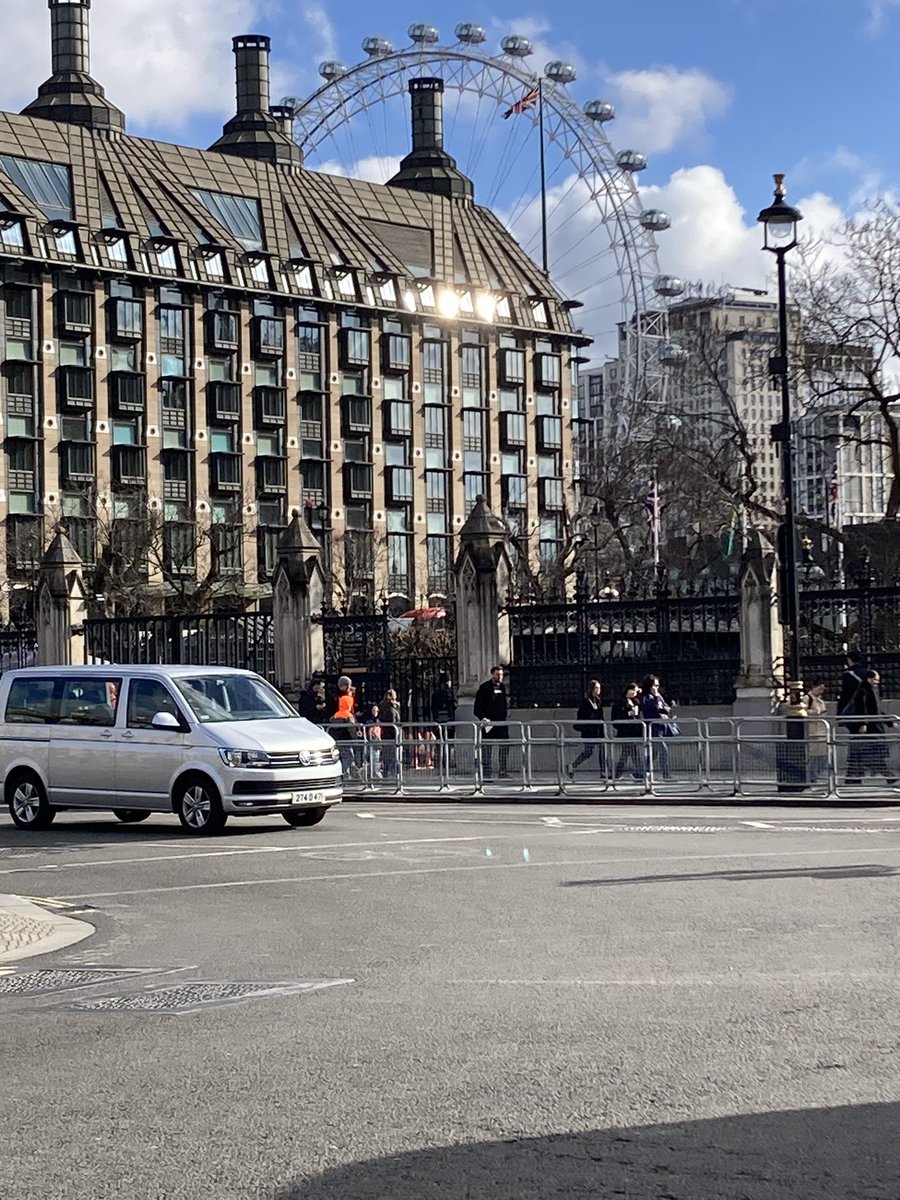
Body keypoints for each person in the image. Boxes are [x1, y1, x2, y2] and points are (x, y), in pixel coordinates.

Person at [846, 668, 895, 783]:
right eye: (875, 679)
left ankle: (852, 777)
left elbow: (878, 709)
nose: (877, 682)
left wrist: (889, 722)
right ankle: (887, 775)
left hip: (873, 725)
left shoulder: (873, 689)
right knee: (872, 752)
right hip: (870, 727)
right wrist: (863, 723)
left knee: (862, 752)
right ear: (869, 678)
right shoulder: (863, 691)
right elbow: (863, 708)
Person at [473, 664, 510, 780]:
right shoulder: (484, 688)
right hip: (488, 723)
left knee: (504, 746)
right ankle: (487, 773)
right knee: (487, 748)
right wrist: (483, 718)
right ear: (492, 674)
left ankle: (503, 771)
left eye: (501, 675)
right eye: (497, 674)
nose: (500, 677)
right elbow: (477, 707)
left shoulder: (503, 688)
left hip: (501, 722)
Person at [641, 675, 675, 780]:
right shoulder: (646, 697)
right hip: (653, 728)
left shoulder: (659, 696)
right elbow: (652, 711)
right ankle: (666, 774)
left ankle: (639, 772)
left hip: (661, 726)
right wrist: (656, 699)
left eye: (658, 685)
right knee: (663, 750)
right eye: (655, 685)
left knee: (654, 753)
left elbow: (665, 706)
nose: (657, 688)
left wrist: (667, 710)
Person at [568, 679, 605, 777]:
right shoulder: (585, 702)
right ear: (591, 689)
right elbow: (582, 715)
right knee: (588, 752)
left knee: (602, 751)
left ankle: (603, 771)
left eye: (599, 688)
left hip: (598, 731)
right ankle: (573, 765)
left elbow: (601, 716)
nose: (598, 690)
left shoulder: (598, 700)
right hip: (589, 731)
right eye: (596, 688)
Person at [610, 682, 644, 780]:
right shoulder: (620, 702)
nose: (634, 692)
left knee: (627, 753)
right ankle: (639, 772)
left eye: (636, 691)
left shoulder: (636, 701)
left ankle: (618, 773)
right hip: (625, 731)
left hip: (634, 731)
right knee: (631, 752)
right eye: (632, 690)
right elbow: (616, 717)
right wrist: (628, 713)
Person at [330, 675, 359, 778]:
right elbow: (351, 729)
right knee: (349, 756)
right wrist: (356, 739)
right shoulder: (348, 715)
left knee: (344, 757)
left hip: (337, 737)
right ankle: (342, 774)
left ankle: (348, 775)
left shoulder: (336, 714)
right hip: (346, 738)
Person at [430, 672, 457, 772]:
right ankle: (445, 765)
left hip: (441, 722)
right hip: (448, 722)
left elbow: (433, 709)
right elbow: (454, 705)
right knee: (447, 745)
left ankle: (441, 765)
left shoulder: (435, 694)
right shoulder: (449, 693)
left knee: (441, 746)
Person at [380, 688, 401, 778]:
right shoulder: (391, 708)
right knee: (394, 755)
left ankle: (386, 774)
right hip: (392, 734)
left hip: (385, 734)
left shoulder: (383, 706)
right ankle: (396, 774)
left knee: (387, 755)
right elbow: (393, 720)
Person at [838, 649, 866, 718]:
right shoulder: (866, 673)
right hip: (865, 706)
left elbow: (845, 694)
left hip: (851, 707)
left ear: (849, 660)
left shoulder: (847, 675)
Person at [363, 703, 383, 779]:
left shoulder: (379, 720)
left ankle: (375, 777)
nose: (375, 712)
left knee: (375, 761)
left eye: (377, 711)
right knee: (371, 761)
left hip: (376, 743)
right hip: (370, 743)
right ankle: (374, 777)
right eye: (374, 710)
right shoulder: (368, 721)